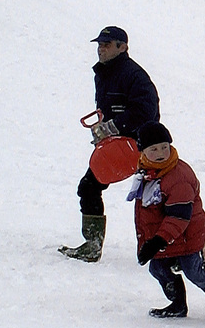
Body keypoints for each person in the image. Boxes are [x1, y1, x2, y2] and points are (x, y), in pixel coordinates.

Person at [59, 26, 160, 262]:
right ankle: (93, 245)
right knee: (90, 187)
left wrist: (113, 126)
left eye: (107, 44)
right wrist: (104, 128)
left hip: (142, 146)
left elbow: (146, 111)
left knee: (156, 198)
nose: (101, 49)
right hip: (121, 143)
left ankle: (170, 252)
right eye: (99, 45)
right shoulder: (106, 73)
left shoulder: (133, 75)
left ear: (122, 47)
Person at [131, 122, 205, 327]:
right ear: (143, 151)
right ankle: (178, 304)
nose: (161, 153)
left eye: (164, 147)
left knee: (193, 272)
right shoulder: (148, 172)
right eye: (153, 149)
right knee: (158, 268)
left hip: (187, 234)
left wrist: (156, 241)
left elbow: (178, 217)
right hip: (167, 235)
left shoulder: (177, 176)